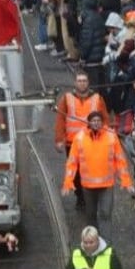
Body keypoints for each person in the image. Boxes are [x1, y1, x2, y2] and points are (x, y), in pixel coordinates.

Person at [61, 111, 135, 230]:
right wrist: (68, 182)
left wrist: (126, 181)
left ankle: (106, 244)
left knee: (106, 214)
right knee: (90, 216)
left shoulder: (111, 136)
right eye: (93, 121)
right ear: (89, 122)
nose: (96, 123)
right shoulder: (80, 138)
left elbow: (120, 161)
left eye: (98, 121)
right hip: (87, 186)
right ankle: (93, 242)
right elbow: (72, 163)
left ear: (102, 123)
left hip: (107, 185)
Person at [54, 72, 109, 209]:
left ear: (88, 83)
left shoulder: (97, 98)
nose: (82, 83)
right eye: (79, 80)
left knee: (90, 170)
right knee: (76, 173)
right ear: (75, 83)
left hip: (93, 141)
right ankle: (80, 196)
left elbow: (105, 118)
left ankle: (89, 196)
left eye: (84, 80)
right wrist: (59, 139)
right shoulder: (66, 99)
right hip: (72, 144)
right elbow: (60, 120)